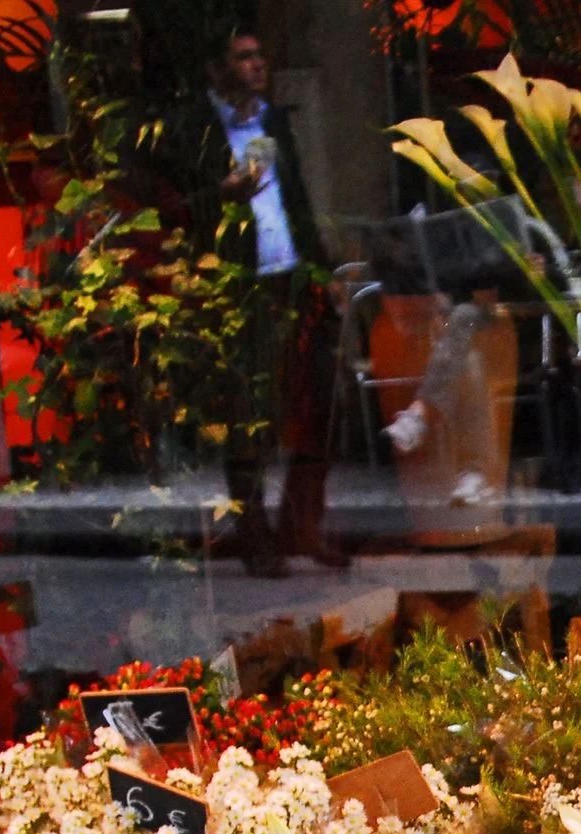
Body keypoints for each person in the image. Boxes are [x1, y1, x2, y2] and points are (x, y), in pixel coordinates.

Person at [179, 26, 343, 573]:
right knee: (246, 415)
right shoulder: (198, 130)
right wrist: (220, 196)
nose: (256, 65)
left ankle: (303, 526)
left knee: (317, 402)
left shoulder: (271, 122)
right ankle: (255, 537)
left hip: (290, 278)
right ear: (217, 69)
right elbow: (178, 206)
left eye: (259, 55)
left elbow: (296, 199)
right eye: (242, 57)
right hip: (238, 284)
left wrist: (322, 268)